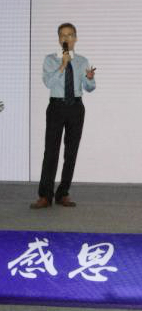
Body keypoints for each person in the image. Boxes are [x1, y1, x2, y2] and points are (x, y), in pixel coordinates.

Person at [30, 23, 96, 209]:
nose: (66, 38)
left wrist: (90, 78)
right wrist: (63, 65)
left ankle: (63, 193)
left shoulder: (82, 61)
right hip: (56, 107)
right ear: (59, 39)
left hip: (76, 107)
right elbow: (48, 82)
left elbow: (89, 88)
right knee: (51, 151)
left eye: (70, 35)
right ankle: (45, 195)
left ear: (75, 38)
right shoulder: (50, 59)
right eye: (62, 35)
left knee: (71, 152)